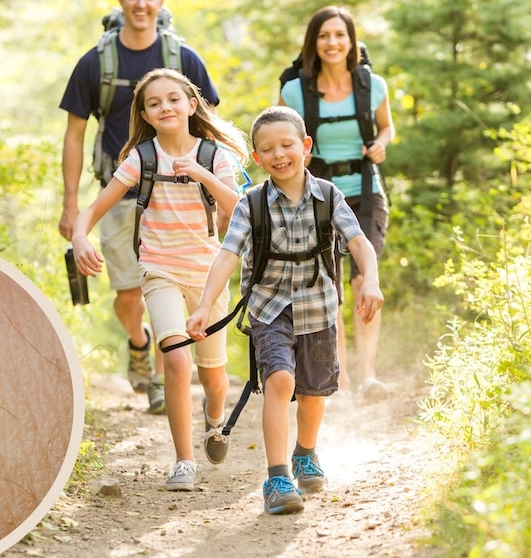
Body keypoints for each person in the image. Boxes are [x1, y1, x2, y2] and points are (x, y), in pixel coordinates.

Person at [186, 106, 384, 515]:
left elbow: (359, 242)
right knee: (278, 381)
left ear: (306, 146)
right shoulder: (251, 204)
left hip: (318, 308)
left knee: (313, 395)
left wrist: (373, 281)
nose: (279, 154)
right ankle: (276, 477)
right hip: (269, 308)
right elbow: (226, 255)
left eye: (287, 144)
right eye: (267, 149)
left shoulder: (329, 196)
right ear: (256, 158)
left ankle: (305, 453)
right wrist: (205, 305)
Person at [72, 68, 248, 492]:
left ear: (191, 105)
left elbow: (239, 209)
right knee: (174, 359)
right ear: (146, 114)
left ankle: (214, 418)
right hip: (159, 269)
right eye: (154, 103)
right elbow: (92, 210)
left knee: (213, 376)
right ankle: (184, 461)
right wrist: (80, 236)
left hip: (208, 274)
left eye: (173, 99)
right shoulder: (142, 158)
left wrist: (202, 174)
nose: (165, 107)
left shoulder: (214, 156)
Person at [59, 0, 221, 414]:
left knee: (171, 292)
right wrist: (72, 205)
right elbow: (74, 136)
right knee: (129, 295)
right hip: (122, 189)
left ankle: (166, 382)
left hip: (180, 196)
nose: (142, 4)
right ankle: (138, 343)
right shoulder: (95, 63)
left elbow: (209, 129)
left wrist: (219, 197)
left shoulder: (183, 58)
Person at [279, 5, 394, 401]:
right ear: (314, 43)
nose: (332, 43)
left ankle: (368, 375)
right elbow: (285, 137)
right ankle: (339, 378)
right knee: (329, 286)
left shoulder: (372, 85)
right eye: (324, 36)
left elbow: (387, 126)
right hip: (318, 194)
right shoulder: (295, 91)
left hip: (365, 188)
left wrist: (380, 144)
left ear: (351, 41)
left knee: (364, 277)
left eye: (339, 35)